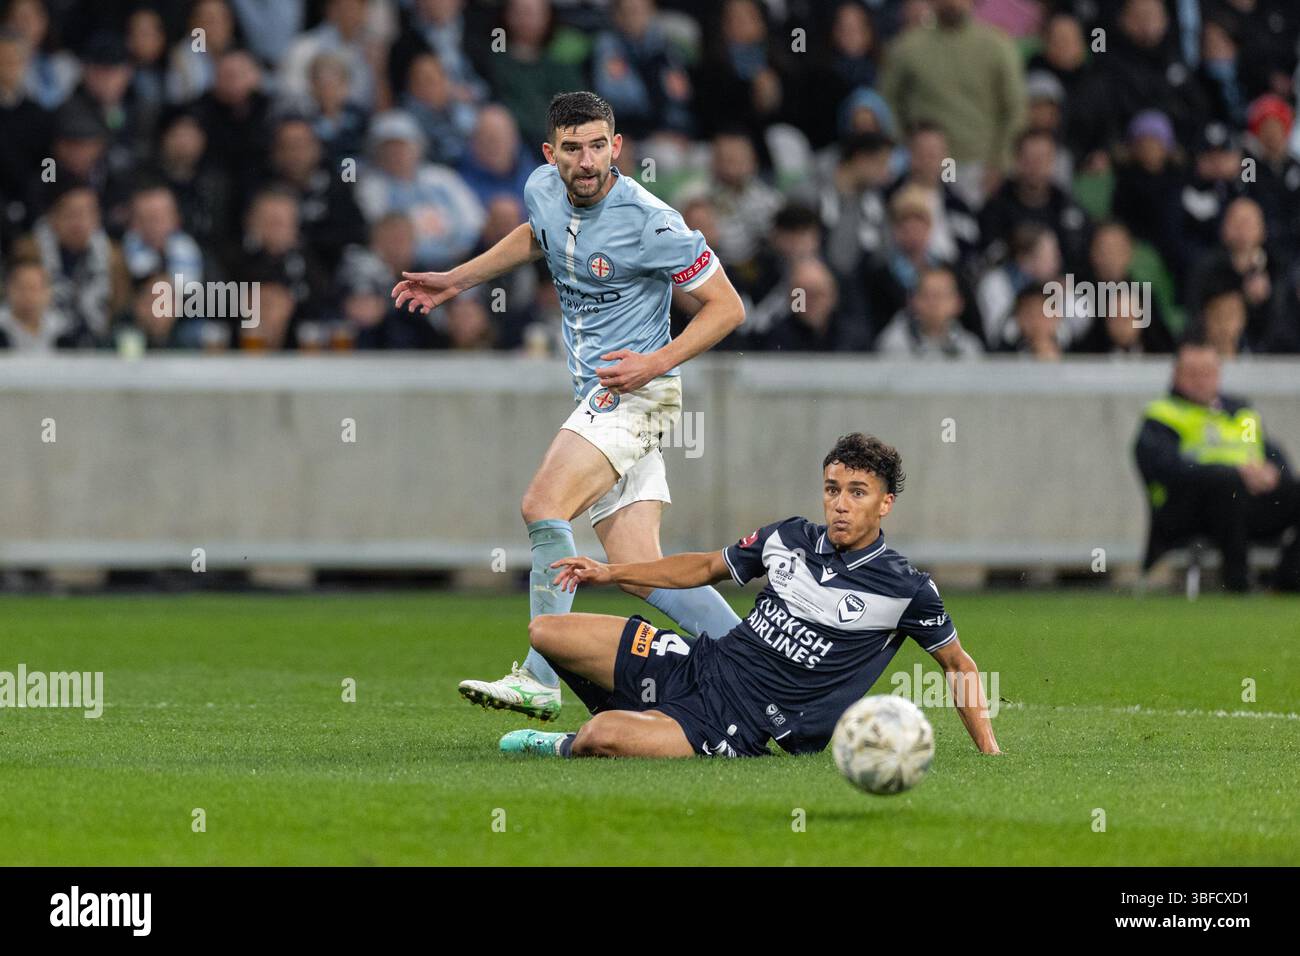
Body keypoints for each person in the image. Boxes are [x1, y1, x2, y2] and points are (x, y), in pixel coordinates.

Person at [392, 92, 746, 720]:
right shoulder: (541, 191)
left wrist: (655, 362)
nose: (587, 162)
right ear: (550, 154)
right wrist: (455, 280)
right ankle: (753, 663)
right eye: (573, 149)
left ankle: (539, 677)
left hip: (638, 391)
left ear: (618, 147)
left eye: (598, 146)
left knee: (541, 506)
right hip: (596, 394)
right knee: (637, 569)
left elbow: (727, 308)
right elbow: (536, 238)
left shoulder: (652, 221)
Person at [496, 433, 1002, 759]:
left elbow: (958, 665)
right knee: (546, 632)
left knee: (599, 735)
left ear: (885, 503)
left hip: (739, 718)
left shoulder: (908, 590)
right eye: (832, 489)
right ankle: (644, 721)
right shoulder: (789, 537)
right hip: (700, 661)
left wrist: (989, 750)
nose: (840, 504)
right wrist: (610, 572)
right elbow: (704, 566)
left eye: (857, 492)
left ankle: (572, 743)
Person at [1135, 340, 1300, 592]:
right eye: (1193, 374)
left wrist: (1271, 473)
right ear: (1176, 375)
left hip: (1247, 503)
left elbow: (1270, 454)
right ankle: (1237, 582)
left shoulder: (1241, 414)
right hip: (1189, 512)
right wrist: (1233, 473)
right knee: (1225, 483)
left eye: (1208, 373)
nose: (1202, 381)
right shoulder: (1164, 415)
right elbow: (1164, 467)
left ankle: (1289, 580)